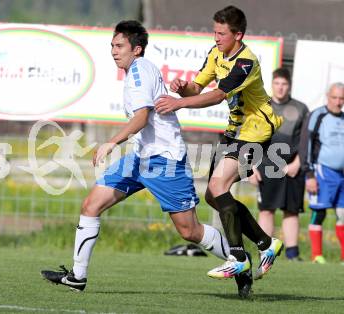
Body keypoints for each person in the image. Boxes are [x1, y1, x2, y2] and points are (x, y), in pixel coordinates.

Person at [41, 20, 236, 294]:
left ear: (137, 49)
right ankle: (78, 276)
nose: (113, 51)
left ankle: (238, 259)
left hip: (165, 161)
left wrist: (110, 143)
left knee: (190, 231)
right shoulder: (137, 69)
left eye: (119, 46)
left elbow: (142, 117)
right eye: (112, 45)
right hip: (140, 157)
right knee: (91, 205)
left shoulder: (138, 74)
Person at [155, 5, 284, 281]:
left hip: (256, 132)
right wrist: (183, 88)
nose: (216, 38)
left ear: (238, 35)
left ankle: (238, 257)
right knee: (213, 196)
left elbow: (217, 96)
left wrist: (179, 104)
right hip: (236, 131)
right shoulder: (216, 53)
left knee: (217, 186)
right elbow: (198, 88)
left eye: (221, 33)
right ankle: (266, 243)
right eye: (214, 32)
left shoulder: (246, 62)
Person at [249, 68, 309, 261]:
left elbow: (305, 141)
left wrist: (297, 164)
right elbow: (248, 139)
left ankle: (293, 254)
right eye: (277, 84)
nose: (280, 88)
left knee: (291, 211)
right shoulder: (260, 106)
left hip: (292, 167)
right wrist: (250, 168)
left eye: (284, 84)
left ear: (289, 85)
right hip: (265, 166)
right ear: (271, 84)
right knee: (266, 210)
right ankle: (266, 251)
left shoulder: (301, 108)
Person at [299, 82, 344, 264]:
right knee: (320, 212)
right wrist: (309, 174)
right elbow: (306, 145)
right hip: (322, 171)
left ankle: (343, 258)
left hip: (342, 175)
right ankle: (317, 255)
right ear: (328, 96)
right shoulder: (317, 116)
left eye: (342, 98)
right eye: (335, 97)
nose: (338, 102)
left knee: (343, 214)